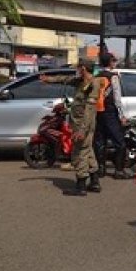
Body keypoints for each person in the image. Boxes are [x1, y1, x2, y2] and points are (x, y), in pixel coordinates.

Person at [41, 59, 101, 196]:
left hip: (83, 125)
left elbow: (89, 109)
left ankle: (80, 187)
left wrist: (81, 130)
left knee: (78, 153)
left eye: (79, 68)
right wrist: (48, 79)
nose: (77, 71)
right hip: (81, 124)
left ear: (84, 68)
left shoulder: (93, 84)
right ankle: (94, 182)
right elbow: (65, 79)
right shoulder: (80, 81)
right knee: (88, 151)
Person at [94, 53, 132, 179]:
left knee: (100, 141)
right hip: (110, 111)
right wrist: (122, 115)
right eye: (114, 60)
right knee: (119, 142)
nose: (115, 62)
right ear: (110, 62)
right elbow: (117, 97)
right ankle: (119, 171)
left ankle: (101, 169)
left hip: (98, 112)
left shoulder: (96, 76)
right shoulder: (113, 77)